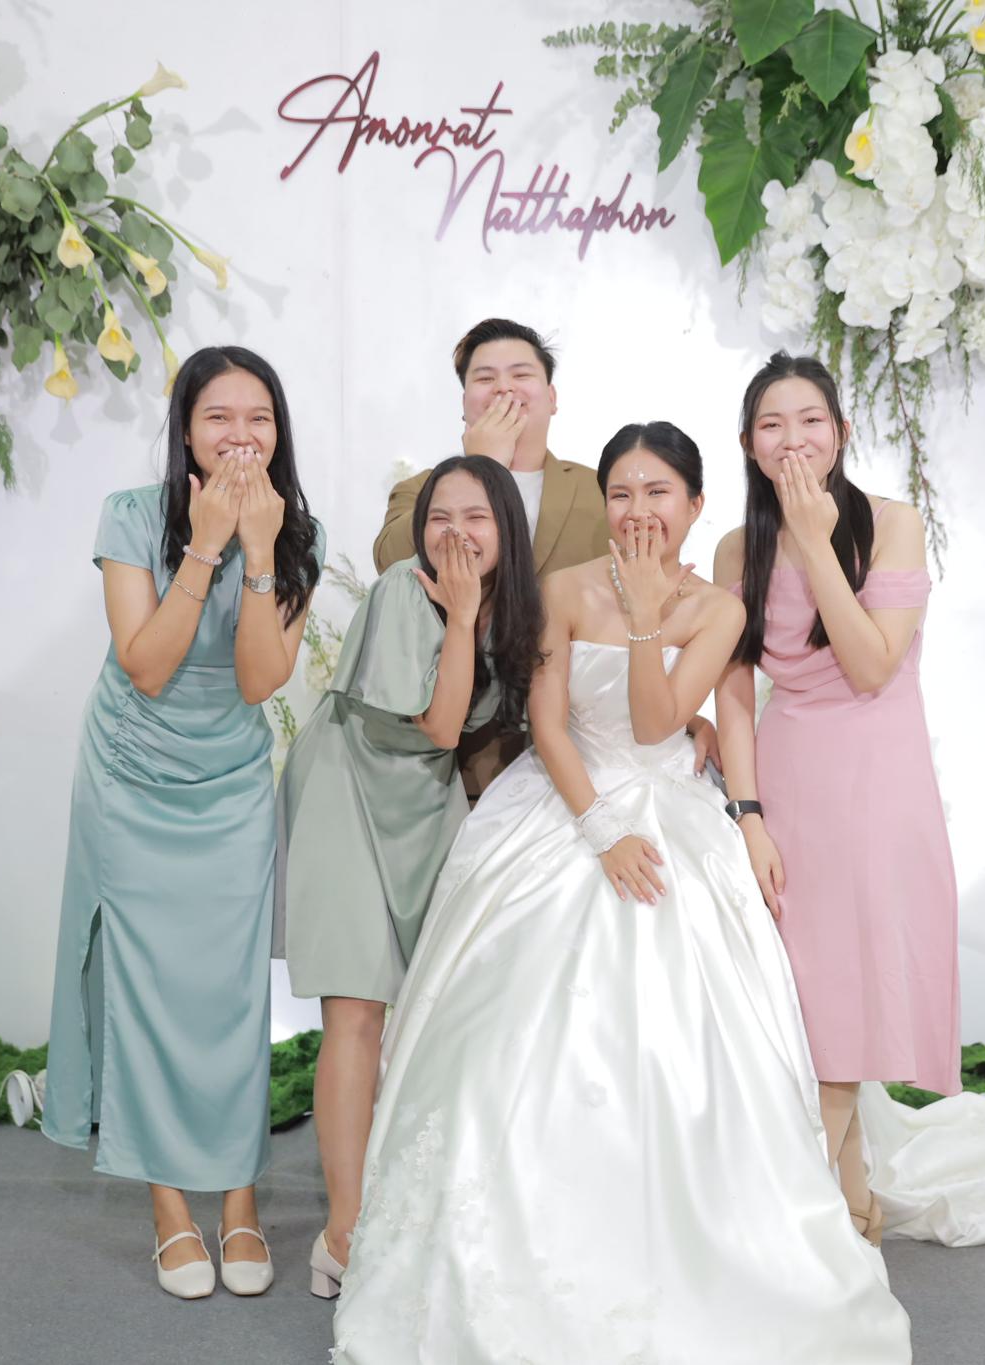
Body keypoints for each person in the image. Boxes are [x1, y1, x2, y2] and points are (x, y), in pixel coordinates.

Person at [328, 422, 913, 1363]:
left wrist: (644, 617)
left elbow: (655, 720)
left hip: (670, 805)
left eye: (659, 493)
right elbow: (548, 723)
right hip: (563, 802)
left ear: (695, 505)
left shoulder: (718, 609)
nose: (639, 510)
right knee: (506, 1023)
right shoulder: (562, 590)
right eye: (623, 493)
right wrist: (598, 828)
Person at [42, 345, 323, 1300]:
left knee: (234, 995)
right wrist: (204, 546)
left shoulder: (298, 536)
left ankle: (240, 1205)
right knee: (144, 988)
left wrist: (259, 554)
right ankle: (170, 1209)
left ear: (278, 432)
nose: (241, 435)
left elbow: (257, 679)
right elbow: (149, 664)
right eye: (219, 417)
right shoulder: (130, 516)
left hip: (231, 780)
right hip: (131, 774)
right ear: (186, 430)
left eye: (259, 418)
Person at [276, 456, 542, 1296]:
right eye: (439, 517)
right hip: (349, 791)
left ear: (508, 529)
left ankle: (403, 1201)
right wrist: (459, 618)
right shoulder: (405, 588)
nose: (454, 534)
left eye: (476, 517)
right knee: (356, 1011)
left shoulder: (513, 606)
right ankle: (343, 1232)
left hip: (426, 809)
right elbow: (439, 726)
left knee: (427, 1012)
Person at [713, 352, 958, 1244]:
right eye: (772, 425)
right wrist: (747, 814)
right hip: (786, 781)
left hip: (873, 782)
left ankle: (803, 1213)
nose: (793, 440)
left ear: (843, 431)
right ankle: (850, 1198)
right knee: (802, 995)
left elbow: (870, 663)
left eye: (810, 420)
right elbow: (734, 692)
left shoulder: (892, 524)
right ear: (748, 442)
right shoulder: (737, 547)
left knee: (845, 990)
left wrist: (816, 542)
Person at [372, 319, 615, 793]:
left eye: (521, 374)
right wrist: (482, 467)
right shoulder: (420, 490)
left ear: (552, 397)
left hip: (580, 760)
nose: (504, 388)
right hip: (452, 764)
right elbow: (391, 563)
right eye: (485, 378)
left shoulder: (601, 491)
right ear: (465, 403)